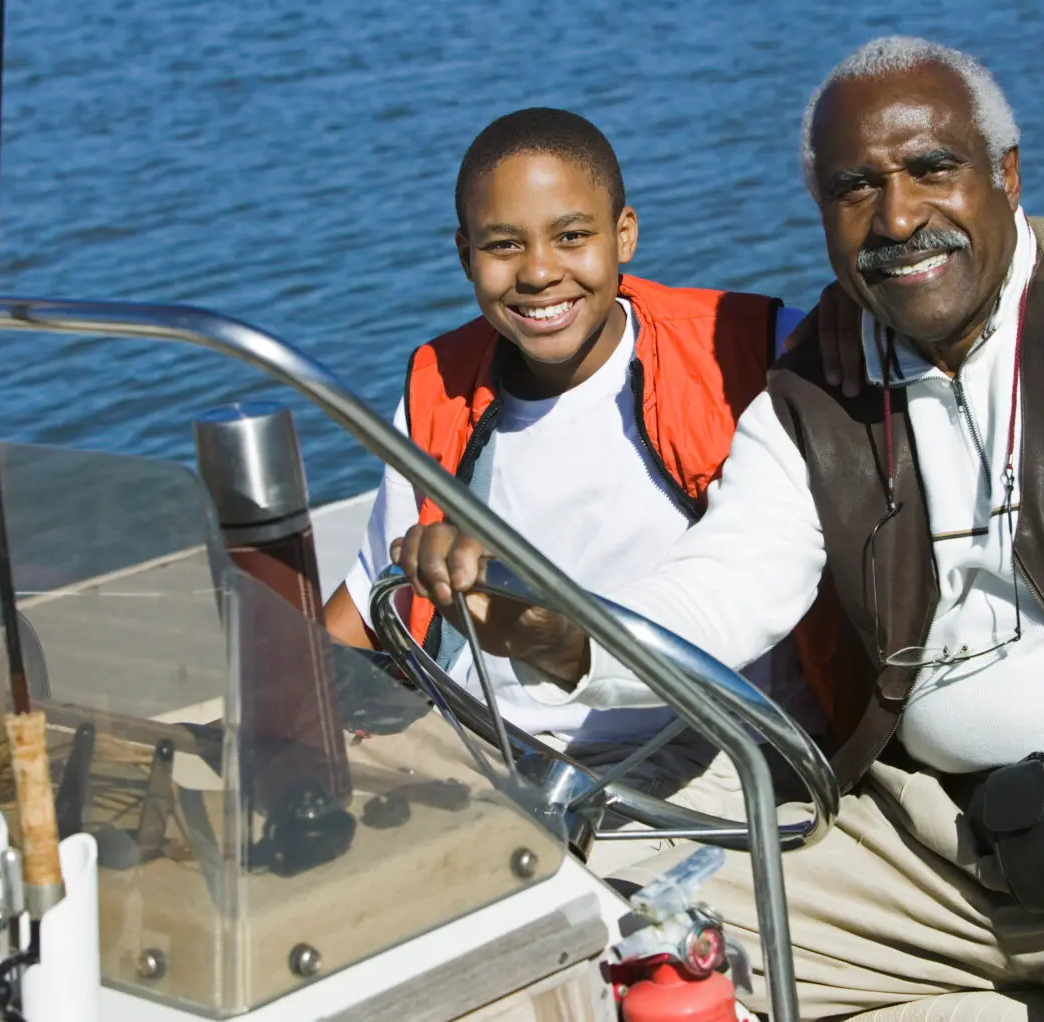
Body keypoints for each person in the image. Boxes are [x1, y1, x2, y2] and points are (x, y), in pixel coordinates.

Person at [392, 38, 1044, 1021]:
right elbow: (719, 595)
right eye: (855, 187)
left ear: (1005, 175)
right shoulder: (811, 386)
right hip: (927, 845)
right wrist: (547, 628)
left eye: (931, 168)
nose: (899, 215)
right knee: (600, 929)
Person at [323, 107, 827, 871]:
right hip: (484, 741)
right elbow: (361, 612)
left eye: (571, 236)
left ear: (624, 234)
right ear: (465, 256)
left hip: (685, 752)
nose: (537, 273)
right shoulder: (438, 387)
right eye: (502, 246)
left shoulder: (748, 349)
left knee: (535, 902)